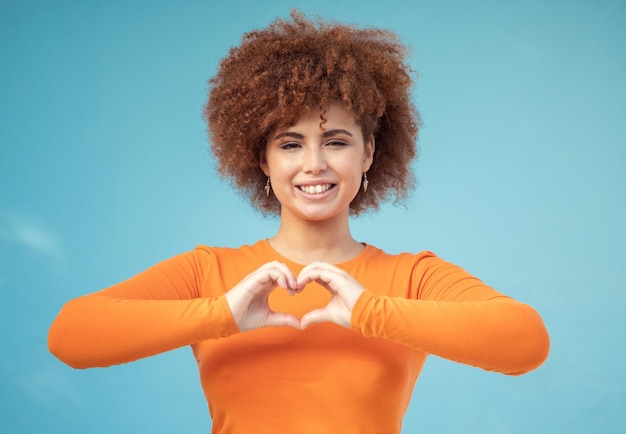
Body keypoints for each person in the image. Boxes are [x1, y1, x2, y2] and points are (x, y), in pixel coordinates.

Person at [48, 11, 550, 434]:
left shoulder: (411, 279)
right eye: (290, 144)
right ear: (262, 160)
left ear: (368, 152)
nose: (315, 164)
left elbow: (526, 342)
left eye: (336, 141)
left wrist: (370, 312)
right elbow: (70, 335)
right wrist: (222, 314)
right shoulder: (211, 275)